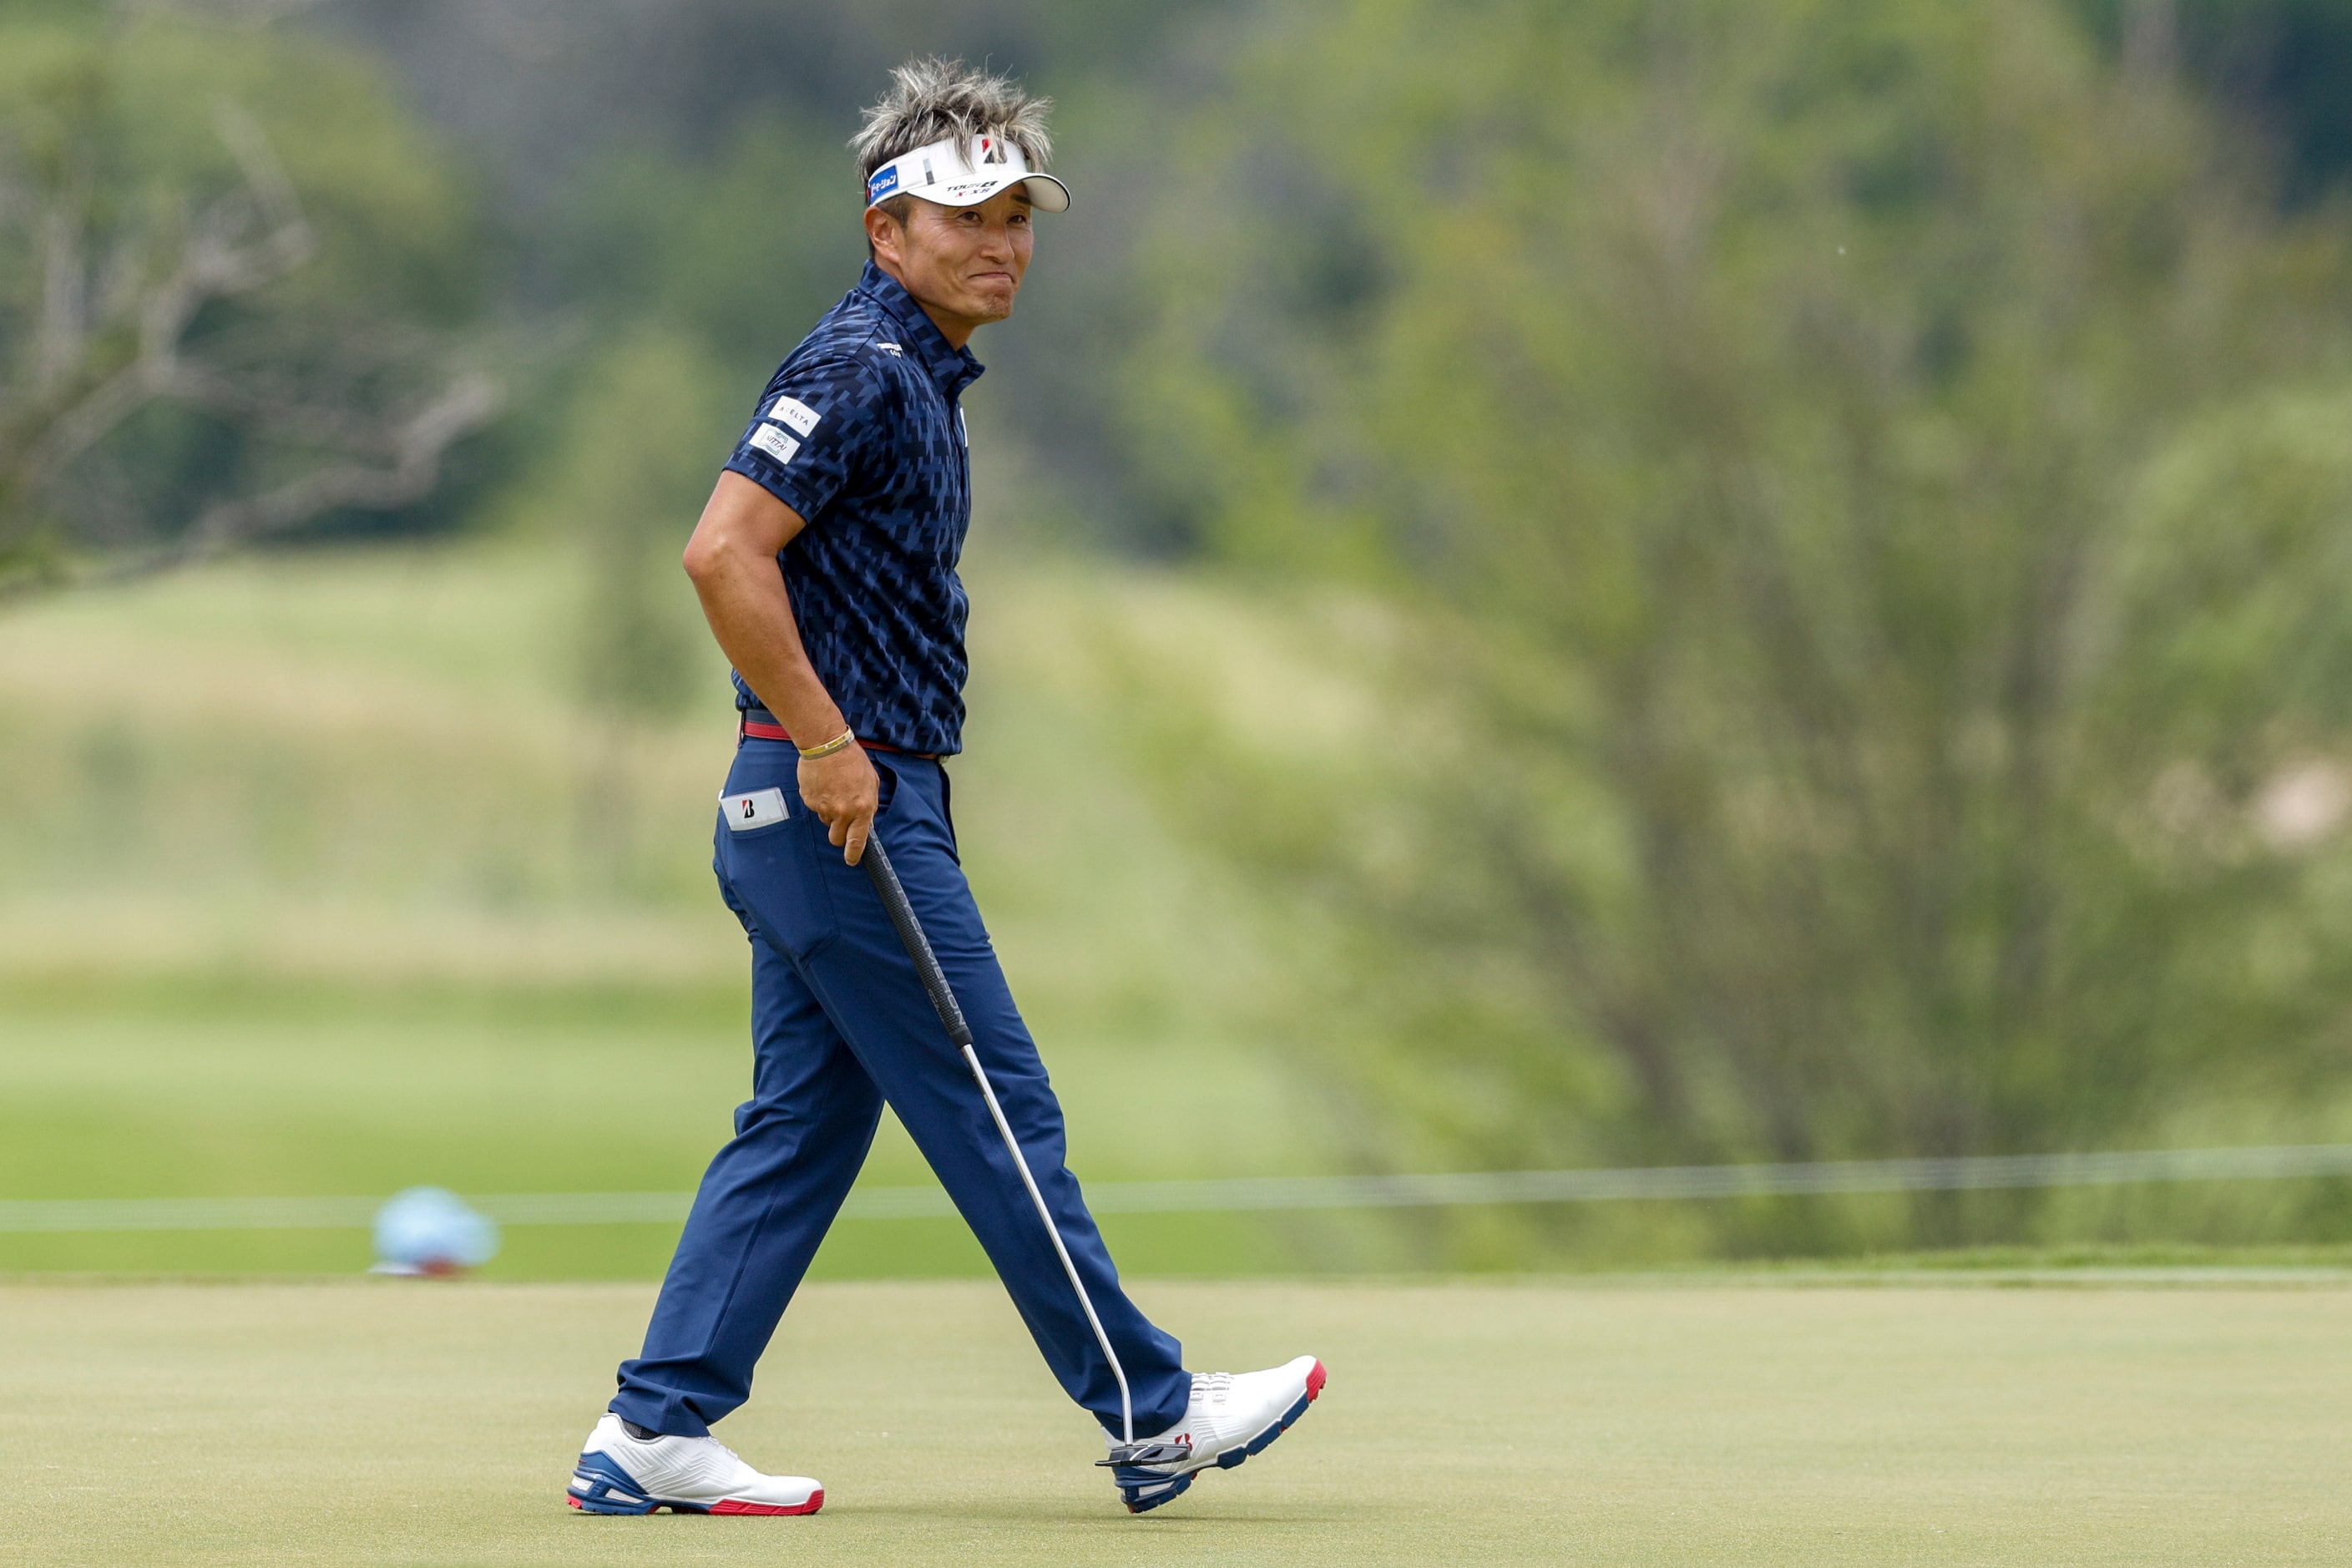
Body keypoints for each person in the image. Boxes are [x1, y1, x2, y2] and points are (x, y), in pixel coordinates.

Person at [564, 58, 1323, 1520]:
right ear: (884, 231)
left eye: (1018, 213)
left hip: (830, 802)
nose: (1001, 240)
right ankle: (1153, 1409)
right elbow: (722, 551)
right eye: (964, 212)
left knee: (802, 1123)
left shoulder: (917, 373)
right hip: (835, 799)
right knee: (991, 1094)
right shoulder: (858, 367)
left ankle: (654, 1425)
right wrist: (832, 741)